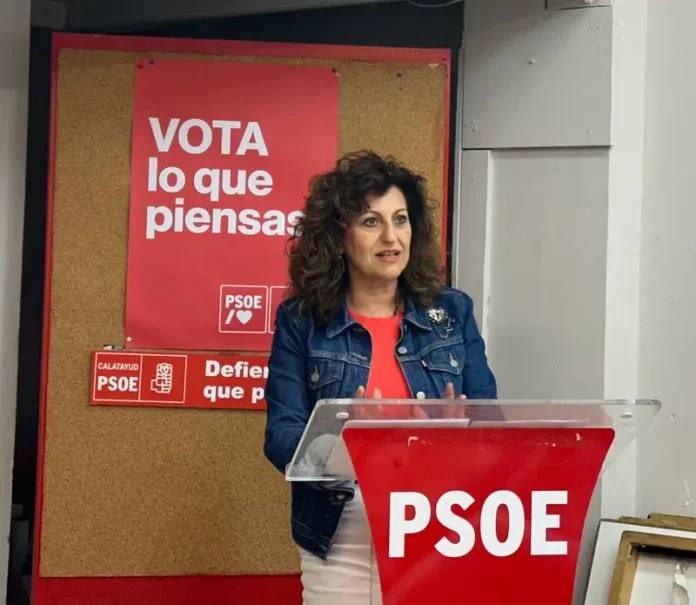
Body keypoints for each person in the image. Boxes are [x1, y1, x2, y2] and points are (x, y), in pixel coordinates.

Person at [263, 150, 497, 604]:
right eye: (371, 222)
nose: (392, 237)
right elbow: (280, 437)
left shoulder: (452, 312)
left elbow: (493, 425)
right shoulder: (302, 321)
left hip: (440, 524)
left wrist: (458, 436)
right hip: (340, 535)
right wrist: (343, 443)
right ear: (338, 237)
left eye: (401, 220)